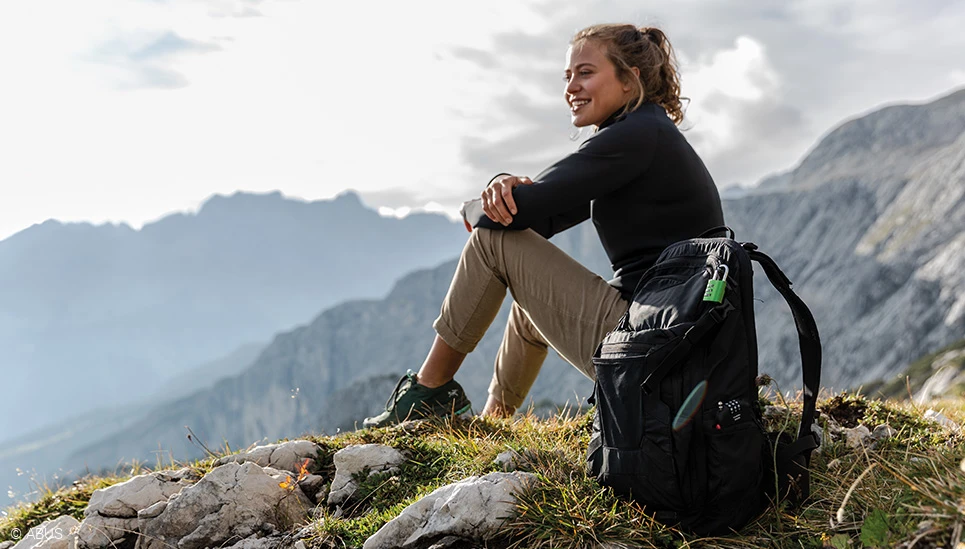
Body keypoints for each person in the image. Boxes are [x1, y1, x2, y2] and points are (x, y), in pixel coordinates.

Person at [363, 23, 725, 428]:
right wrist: (501, 189)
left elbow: (507, 219)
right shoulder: (647, 135)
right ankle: (493, 422)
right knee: (526, 295)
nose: (571, 87)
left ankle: (428, 392)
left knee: (489, 242)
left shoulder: (635, 135)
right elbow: (539, 219)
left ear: (629, 79)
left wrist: (477, 206)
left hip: (653, 348)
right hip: (672, 347)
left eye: (585, 73)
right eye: (567, 76)